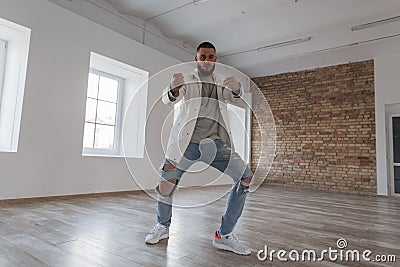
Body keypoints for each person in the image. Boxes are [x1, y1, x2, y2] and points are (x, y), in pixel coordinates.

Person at [145, 42, 253, 255]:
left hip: (216, 143)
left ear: (215, 59)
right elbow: (169, 99)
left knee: (245, 176)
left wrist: (238, 89)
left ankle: (224, 235)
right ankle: (162, 226)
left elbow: (239, 102)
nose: (206, 60)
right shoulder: (187, 80)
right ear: (196, 59)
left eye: (210, 57)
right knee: (166, 184)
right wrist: (173, 88)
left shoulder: (222, 82)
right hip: (186, 143)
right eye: (202, 56)